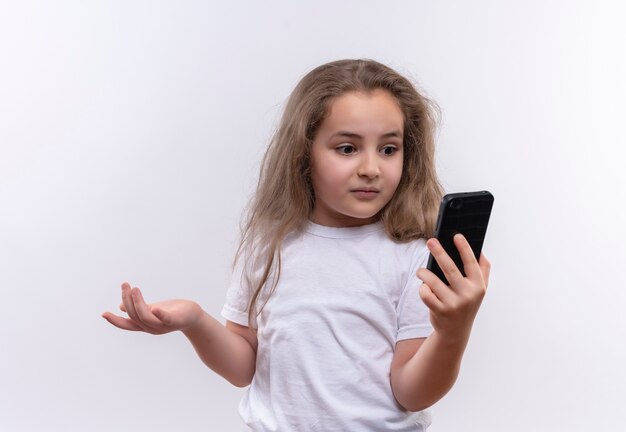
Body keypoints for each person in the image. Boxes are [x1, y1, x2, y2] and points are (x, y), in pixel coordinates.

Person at [102, 59, 490, 431]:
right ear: (304, 155)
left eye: (388, 149)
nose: (371, 167)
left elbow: (411, 392)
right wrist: (194, 320)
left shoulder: (413, 256)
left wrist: (453, 331)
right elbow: (243, 367)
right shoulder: (268, 245)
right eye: (347, 148)